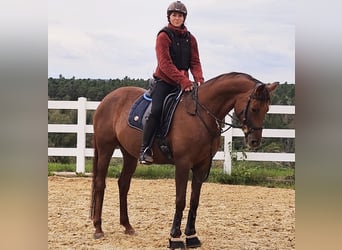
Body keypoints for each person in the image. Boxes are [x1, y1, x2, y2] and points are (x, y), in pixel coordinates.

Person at [139, 0, 205, 164]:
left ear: (184, 18)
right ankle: (145, 149)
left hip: (184, 83)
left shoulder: (191, 39)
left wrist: (199, 79)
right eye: (174, 15)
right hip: (164, 82)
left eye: (180, 15)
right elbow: (165, 64)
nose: (177, 18)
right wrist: (184, 80)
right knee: (156, 110)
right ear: (169, 17)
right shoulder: (163, 36)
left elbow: (195, 62)